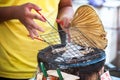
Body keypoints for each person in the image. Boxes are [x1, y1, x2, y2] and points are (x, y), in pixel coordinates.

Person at [0, 0, 74, 80]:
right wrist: (15, 12)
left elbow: (66, 5)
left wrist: (66, 16)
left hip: (53, 65)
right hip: (12, 68)